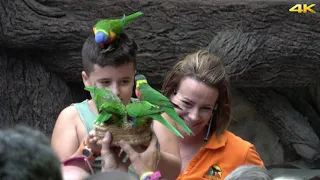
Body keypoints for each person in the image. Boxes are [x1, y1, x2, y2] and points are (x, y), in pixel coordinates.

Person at [51, 32, 181, 179]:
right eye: (105, 83)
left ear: (134, 77)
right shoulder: (72, 118)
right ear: (86, 80)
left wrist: (149, 154)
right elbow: (59, 175)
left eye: (124, 81)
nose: (115, 92)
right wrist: (90, 148)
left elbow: (174, 173)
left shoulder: (153, 114)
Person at [159, 50, 265, 179]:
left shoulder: (241, 153)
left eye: (205, 108)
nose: (194, 116)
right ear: (170, 93)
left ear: (215, 108)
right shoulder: (141, 139)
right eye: (187, 103)